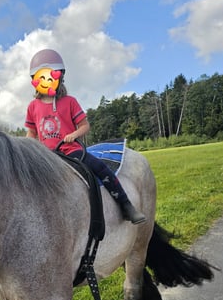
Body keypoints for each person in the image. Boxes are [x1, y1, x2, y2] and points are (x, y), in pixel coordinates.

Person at [24, 48, 146, 224]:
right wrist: (28, 149)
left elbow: (85, 125)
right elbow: (32, 133)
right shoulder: (32, 106)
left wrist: (73, 135)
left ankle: (126, 206)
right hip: (46, 156)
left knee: (100, 167)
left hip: (70, 151)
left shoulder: (70, 102)